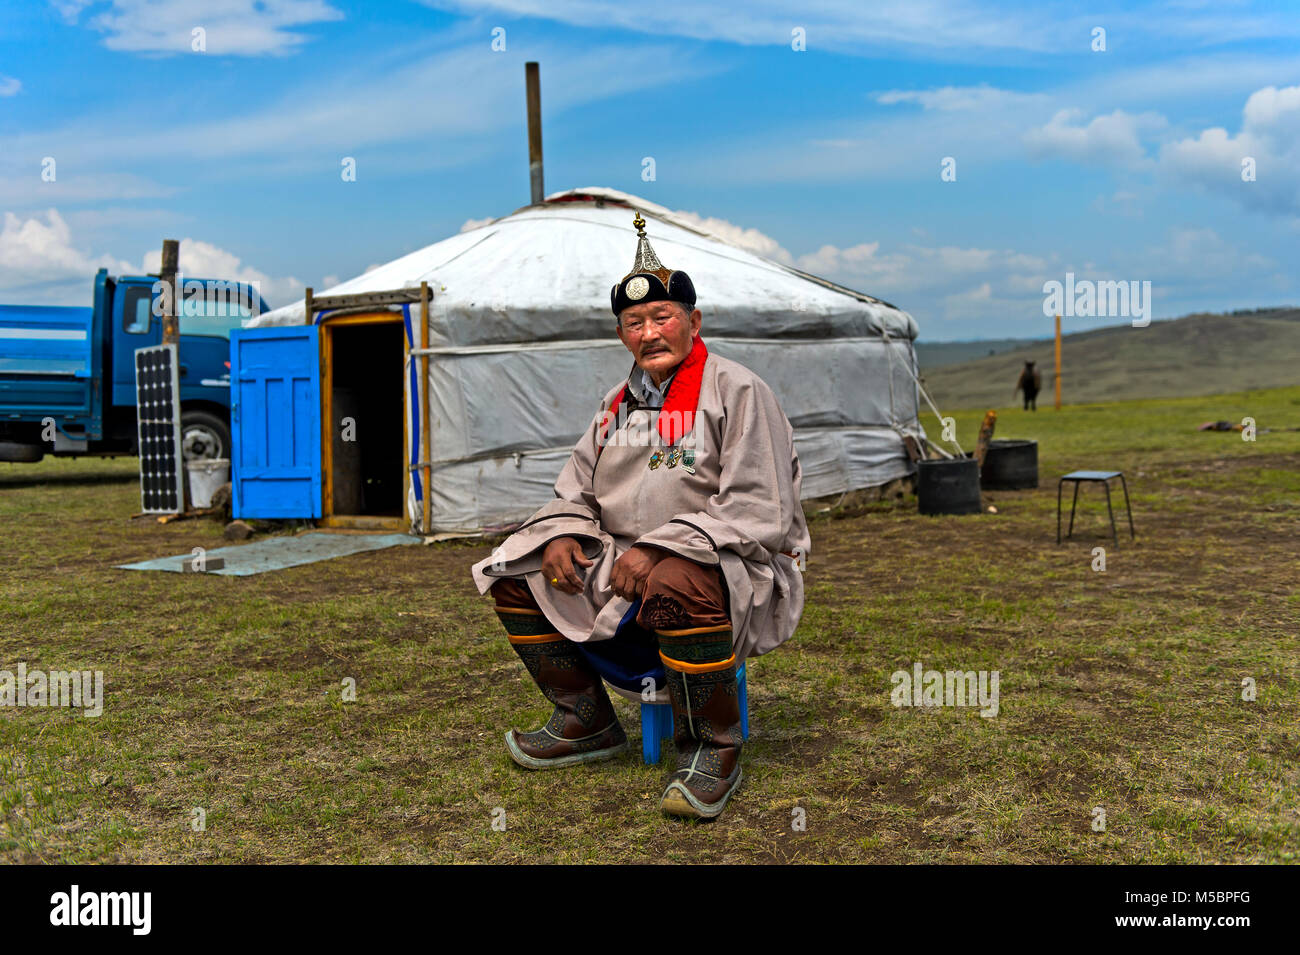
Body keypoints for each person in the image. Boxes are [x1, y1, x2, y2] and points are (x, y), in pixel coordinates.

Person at [469, 213, 810, 820]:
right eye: (634, 323)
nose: (649, 332)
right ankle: (586, 720)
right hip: (623, 563)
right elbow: (576, 488)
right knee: (516, 570)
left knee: (673, 578)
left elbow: (760, 510)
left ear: (693, 321)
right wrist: (562, 534)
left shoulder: (737, 391)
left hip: (729, 563)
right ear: (622, 335)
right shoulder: (616, 405)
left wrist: (661, 548)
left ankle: (712, 747)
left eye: (662, 317)